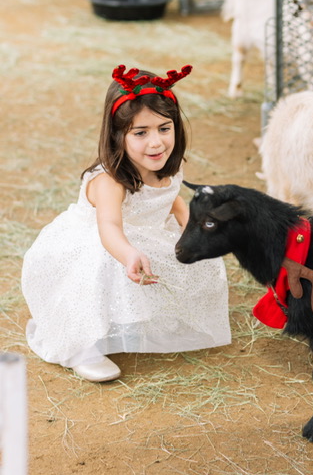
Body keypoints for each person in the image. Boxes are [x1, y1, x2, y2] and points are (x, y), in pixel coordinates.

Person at [21, 64, 231, 382]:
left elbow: (170, 198)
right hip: (97, 244)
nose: (156, 142)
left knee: (193, 257)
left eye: (164, 128)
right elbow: (109, 228)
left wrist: (195, 228)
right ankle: (81, 345)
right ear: (118, 135)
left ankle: (156, 312)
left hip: (144, 234)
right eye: (140, 133)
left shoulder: (169, 168)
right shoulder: (110, 181)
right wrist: (128, 254)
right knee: (108, 260)